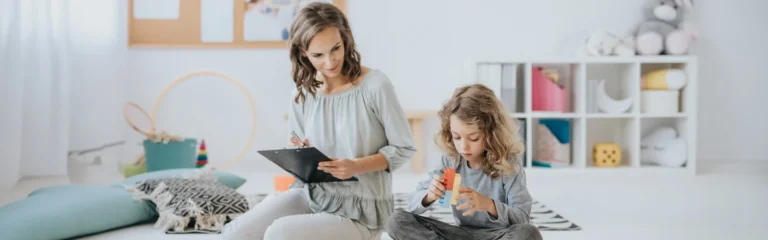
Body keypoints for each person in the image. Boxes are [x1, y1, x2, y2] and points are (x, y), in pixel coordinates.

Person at [222, 2, 416, 240]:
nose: (330, 61)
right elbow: (296, 152)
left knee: (278, 234)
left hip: (361, 210)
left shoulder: (375, 85)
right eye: (318, 55)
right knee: (233, 234)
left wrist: (355, 166)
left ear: (345, 38)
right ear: (303, 53)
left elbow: (405, 147)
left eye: (336, 48)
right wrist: (299, 154)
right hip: (313, 195)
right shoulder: (302, 94)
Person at [386, 84, 543, 240]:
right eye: (457, 137)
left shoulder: (508, 162)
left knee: (529, 233)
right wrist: (429, 195)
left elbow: (522, 218)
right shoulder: (451, 159)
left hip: (497, 236)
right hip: (459, 234)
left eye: (473, 138)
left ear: (491, 133)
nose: (463, 146)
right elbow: (412, 205)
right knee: (396, 221)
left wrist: (489, 205)